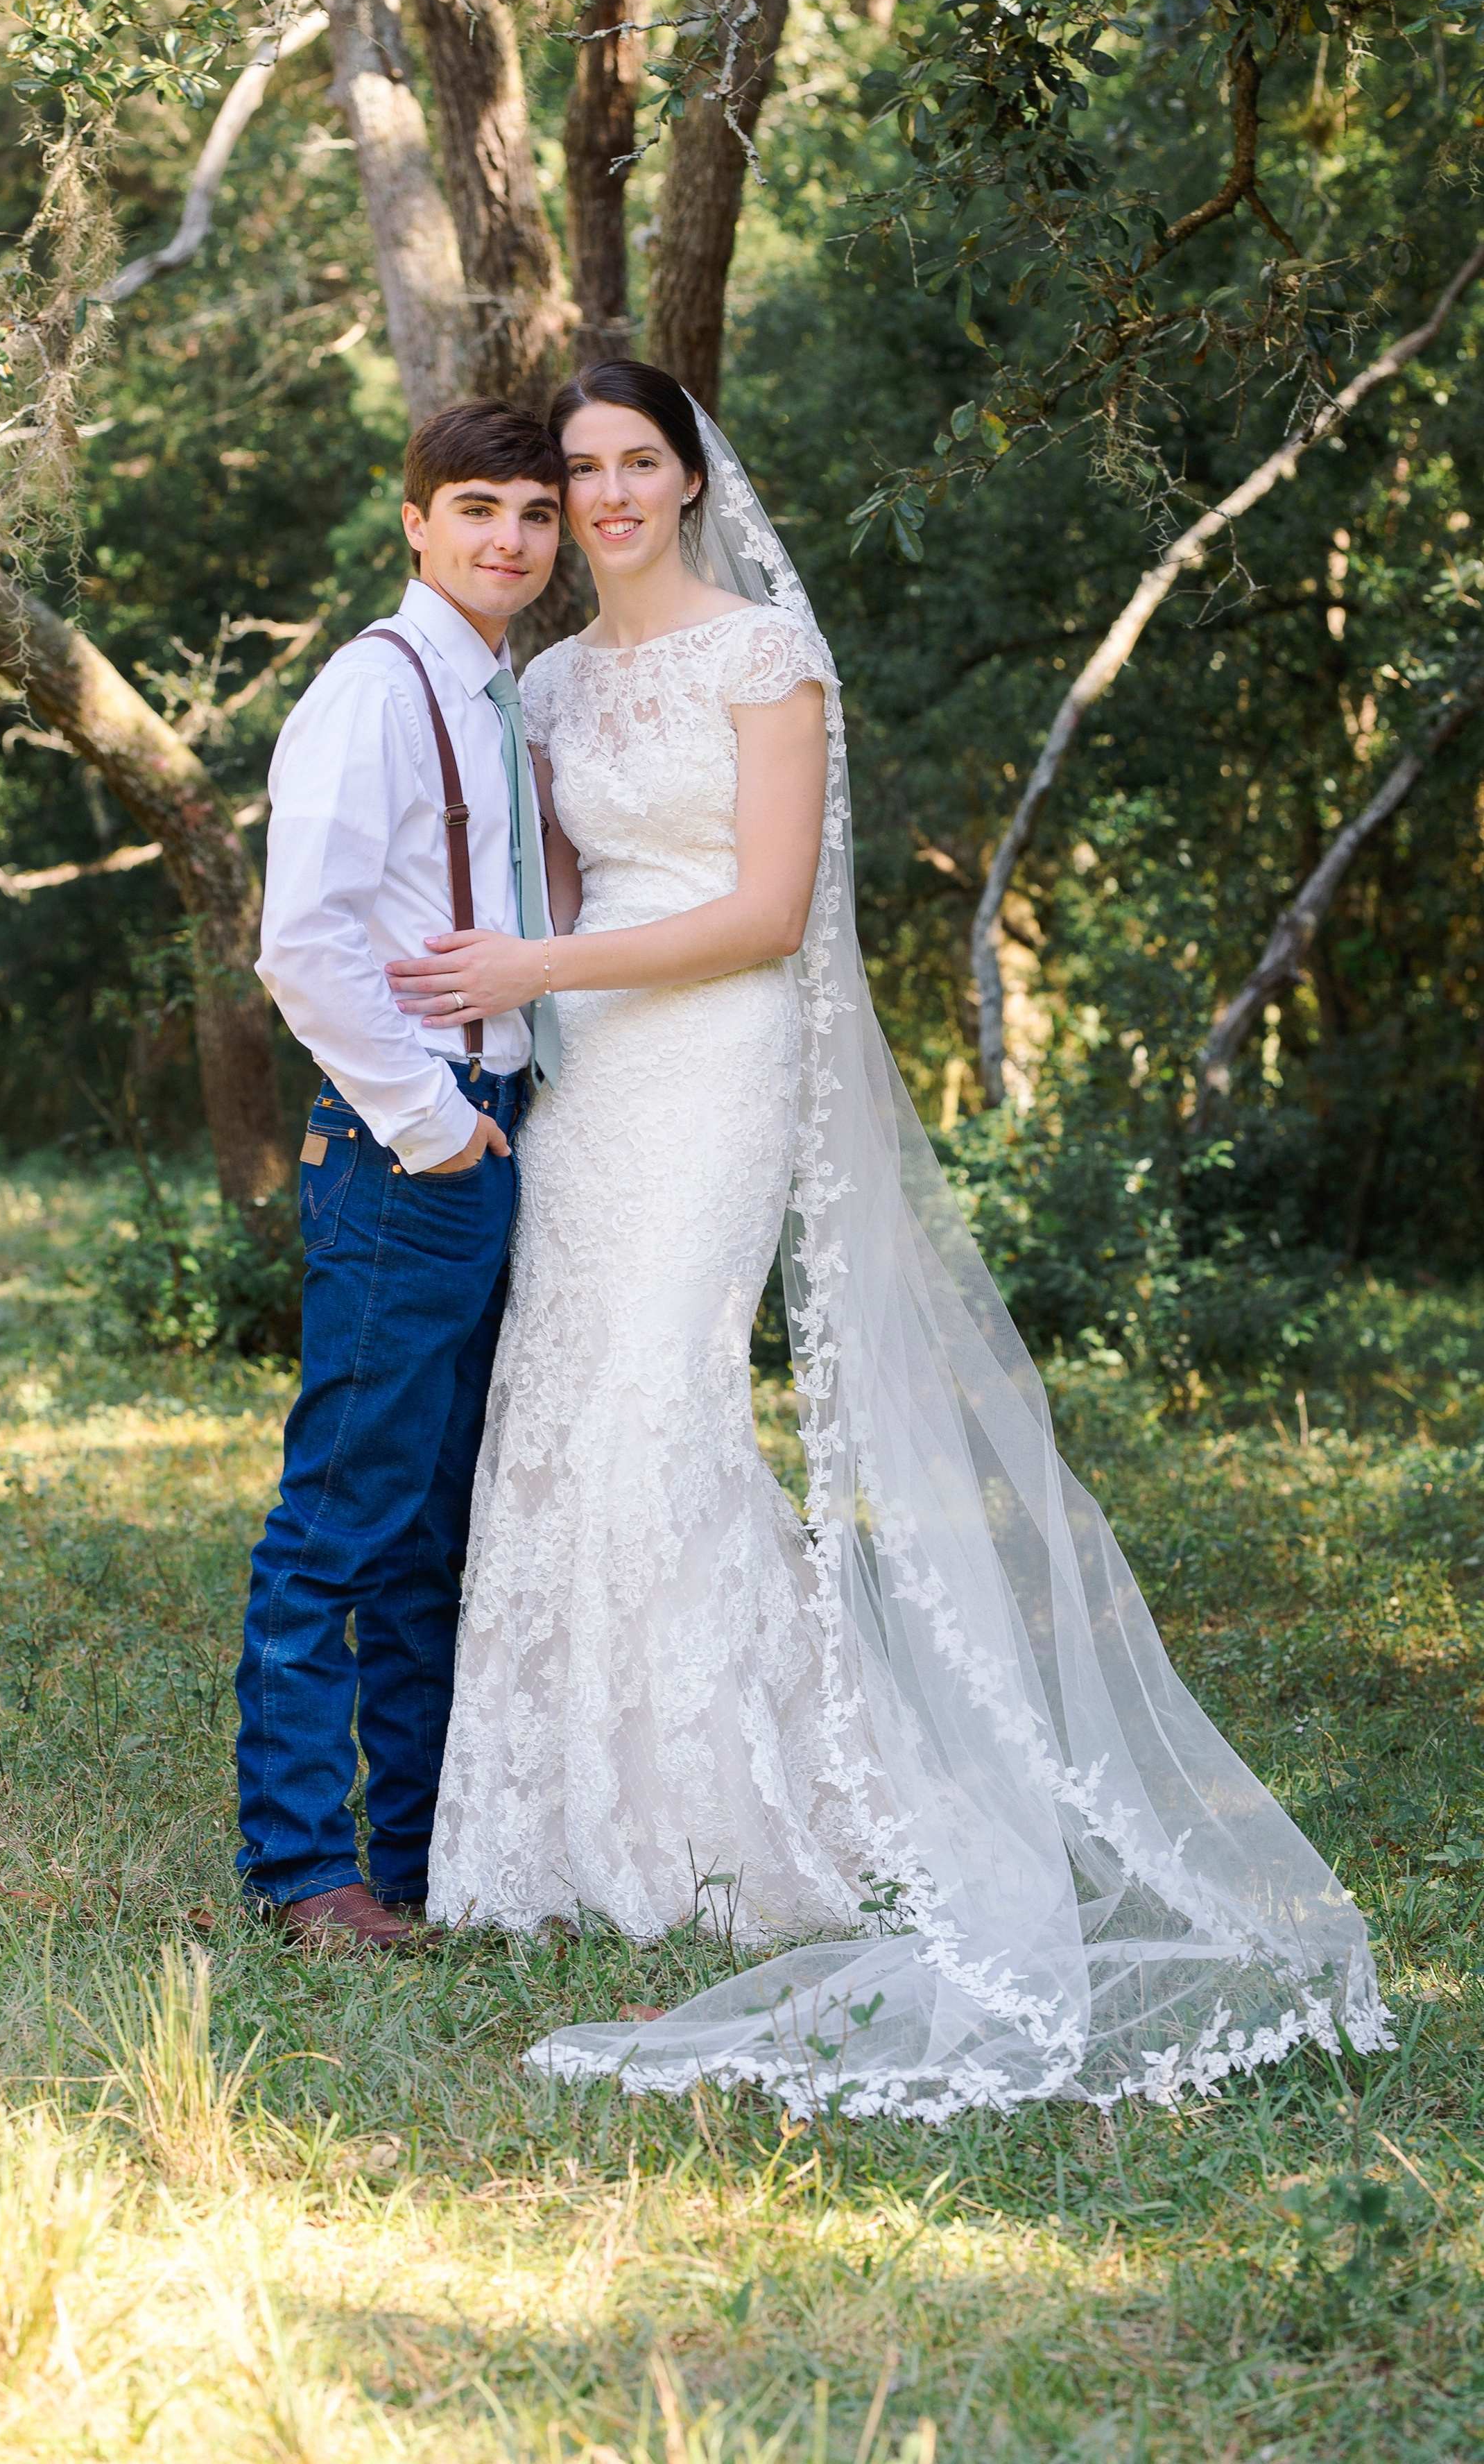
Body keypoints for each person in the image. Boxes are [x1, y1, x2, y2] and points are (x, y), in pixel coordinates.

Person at [386, 359, 1391, 2121]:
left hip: (708, 1060)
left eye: (635, 465)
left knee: (659, 1398)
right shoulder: (542, 681)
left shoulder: (767, 663)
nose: (606, 496)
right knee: (552, 1403)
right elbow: (523, 884)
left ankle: (750, 1816)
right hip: (583, 1078)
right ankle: (557, 1823)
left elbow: (766, 912)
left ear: (690, 483)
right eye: (578, 472)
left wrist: (534, 973)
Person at [236, 397, 564, 1952]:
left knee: (440, 1528)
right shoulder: (373, 693)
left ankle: (430, 1855)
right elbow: (301, 945)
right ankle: (306, 1871)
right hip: (401, 1151)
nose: (508, 538)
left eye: (534, 514)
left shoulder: (495, 694)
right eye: (478, 508)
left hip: (486, 1139)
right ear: (416, 521)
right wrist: (429, 1121)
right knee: (342, 1526)